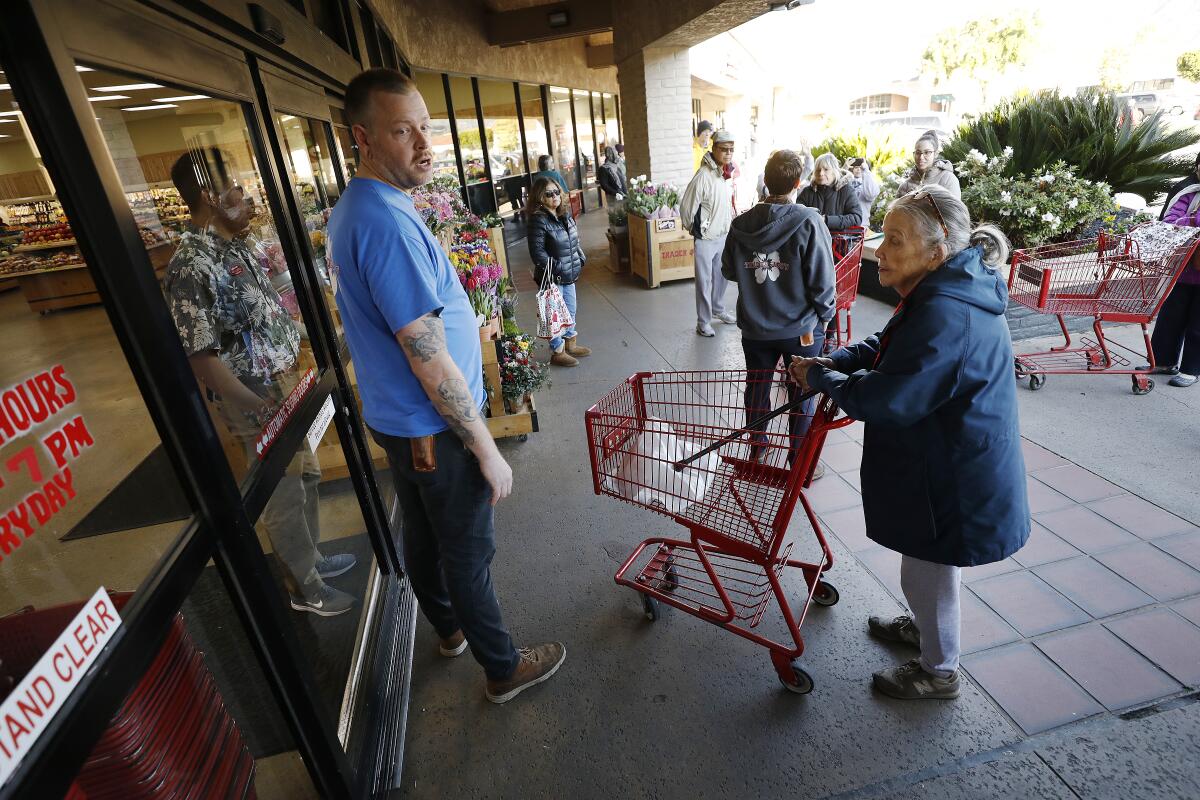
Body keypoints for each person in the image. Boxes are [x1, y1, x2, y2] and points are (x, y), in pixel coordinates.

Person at [328, 68, 565, 704]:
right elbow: (427, 357)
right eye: (403, 131)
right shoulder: (383, 221)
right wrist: (487, 448)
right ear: (364, 139)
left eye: (426, 127)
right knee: (466, 547)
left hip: (403, 422)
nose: (423, 143)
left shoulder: (367, 206)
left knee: (428, 535)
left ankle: (450, 629)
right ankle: (501, 667)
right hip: (430, 422)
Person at [790, 185, 1028, 700]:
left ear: (936, 252)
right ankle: (924, 631)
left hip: (953, 475)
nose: (882, 251)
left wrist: (823, 380)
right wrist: (840, 361)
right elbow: (890, 346)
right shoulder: (942, 291)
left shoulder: (947, 311)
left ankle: (939, 672)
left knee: (930, 570)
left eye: (896, 240)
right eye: (886, 236)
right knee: (925, 566)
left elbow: (893, 397)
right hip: (943, 462)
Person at [164, 147, 357, 617]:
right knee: (283, 490)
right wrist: (256, 404)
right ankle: (304, 586)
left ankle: (310, 558)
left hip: (282, 379)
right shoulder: (192, 265)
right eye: (237, 189)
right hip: (254, 394)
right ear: (210, 196)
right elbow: (201, 357)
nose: (248, 198)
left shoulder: (237, 242)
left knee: (307, 474)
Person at [722, 149, 836, 474]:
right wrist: (825, 320)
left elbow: (729, 269)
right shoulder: (809, 222)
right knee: (801, 392)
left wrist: (754, 272)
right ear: (798, 182)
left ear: (766, 181)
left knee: (757, 386)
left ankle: (758, 446)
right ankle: (799, 460)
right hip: (800, 331)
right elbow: (823, 283)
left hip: (755, 329)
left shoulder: (741, 224)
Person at [1148, 151, 1200, 387]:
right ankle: (1163, 361)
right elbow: (1170, 219)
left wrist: (1188, 222)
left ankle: (1192, 369)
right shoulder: (1188, 190)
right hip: (1183, 265)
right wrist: (1188, 222)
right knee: (1171, 316)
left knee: (1198, 322)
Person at [527, 176, 590, 367]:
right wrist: (558, 266)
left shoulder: (564, 215)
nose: (554, 196)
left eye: (556, 192)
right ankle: (558, 351)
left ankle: (571, 343)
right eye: (548, 193)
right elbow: (537, 253)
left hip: (569, 274)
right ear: (539, 197)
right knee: (554, 316)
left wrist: (579, 256)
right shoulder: (538, 220)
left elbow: (573, 241)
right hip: (553, 276)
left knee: (570, 310)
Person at [681, 129, 737, 337]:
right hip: (705, 238)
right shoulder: (703, 175)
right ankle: (703, 321)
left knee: (722, 276)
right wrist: (696, 229)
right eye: (724, 149)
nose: (728, 153)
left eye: (731, 149)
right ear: (714, 149)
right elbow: (687, 206)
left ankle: (718, 309)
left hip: (722, 235)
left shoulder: (724, 174)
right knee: (704, 281)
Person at [797, 153, 863, 231]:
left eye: (826, 169)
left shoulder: (846, 190)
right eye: (818, 170)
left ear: (834, 171)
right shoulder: (807, 192)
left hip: (838, 241)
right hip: (812, 241)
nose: (821, 173)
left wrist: (827, 220)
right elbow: (797, 215)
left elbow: (856, 217)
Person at [897, 131, 960, 198]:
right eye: (918, 153)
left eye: (927, 152)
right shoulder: (905, 185)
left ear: (935, 154)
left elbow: (954, 208)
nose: (921, 157)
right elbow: (895, 208)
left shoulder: (948, 179)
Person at [846, 157, 880, 229]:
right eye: (856, 167)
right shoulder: (846, 182)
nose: (858, 169)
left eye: (860, 167)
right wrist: (844, 168)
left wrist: (865, 170)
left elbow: (871, 194)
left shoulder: (870, 182)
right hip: (845, 224)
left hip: (862, 225)